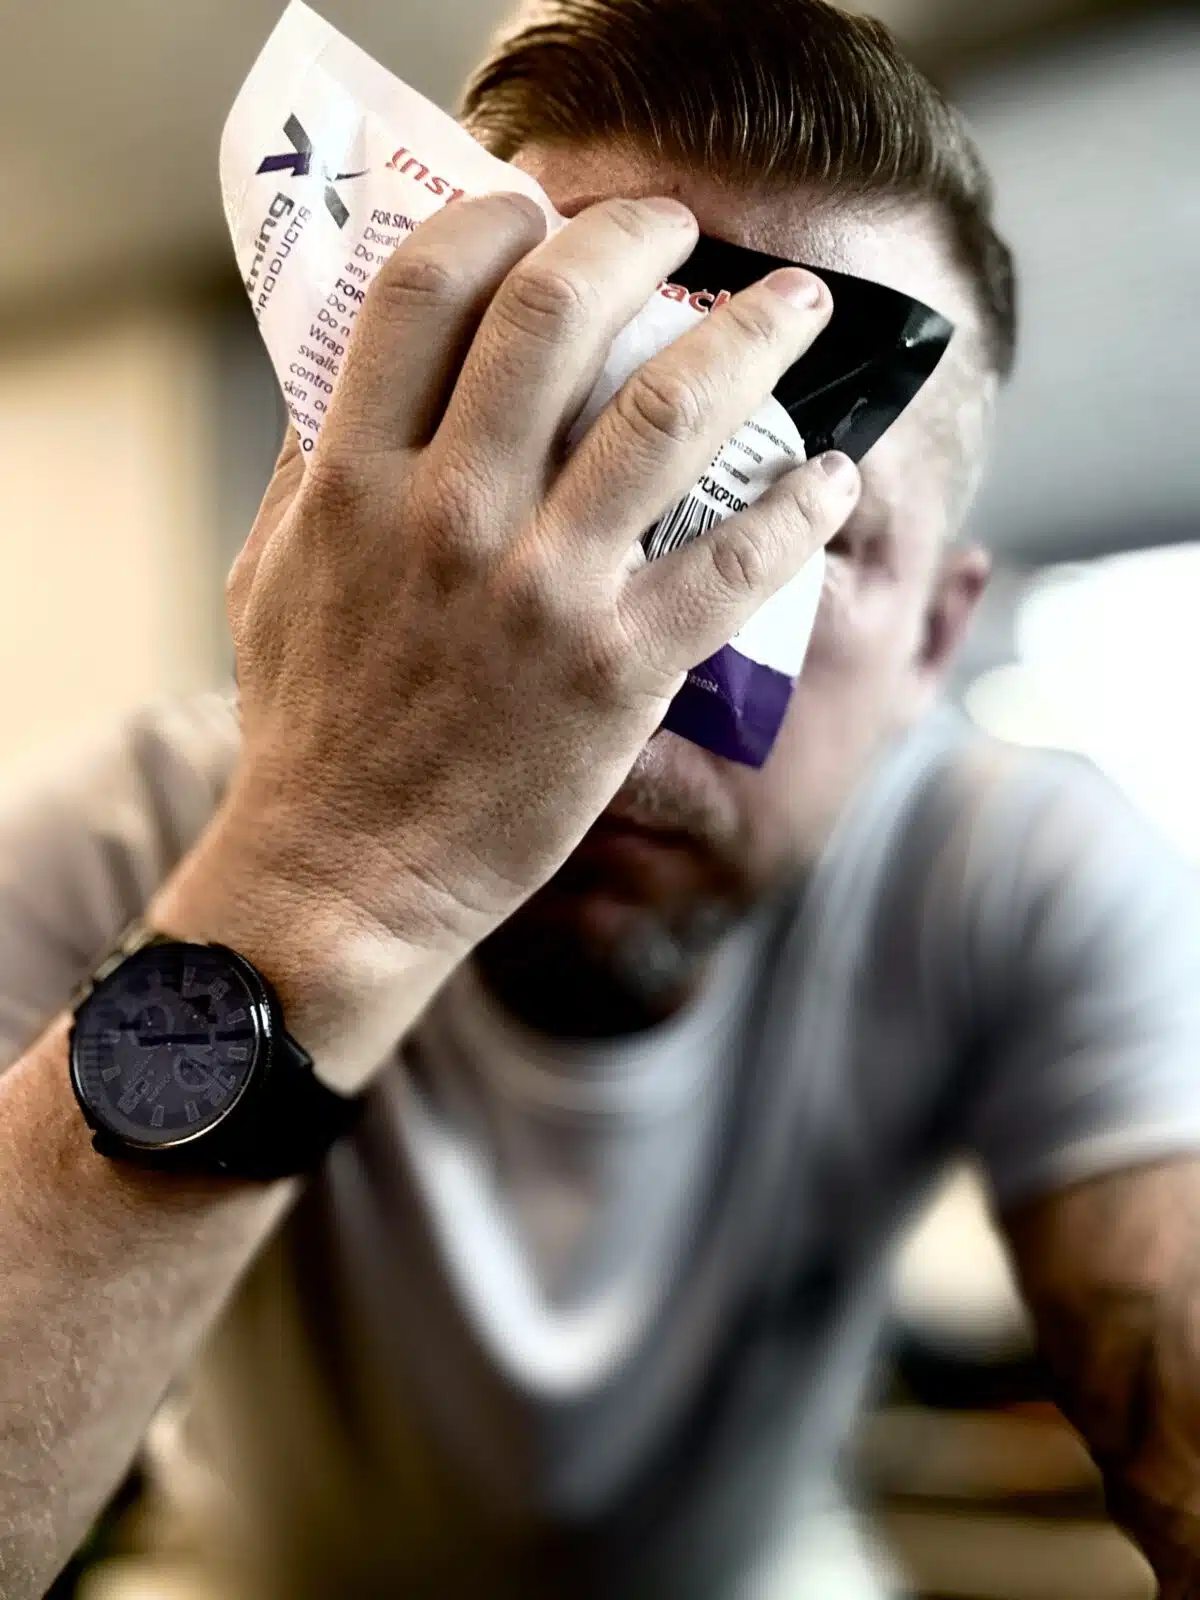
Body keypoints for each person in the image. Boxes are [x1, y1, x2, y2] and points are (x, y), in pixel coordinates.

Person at [3, 1, 1200, 1596]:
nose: (613, 690)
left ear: (935, 635)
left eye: (786, 540)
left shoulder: (1015, 862)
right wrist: (336, 877)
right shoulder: (114, 831)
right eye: (551, 478)